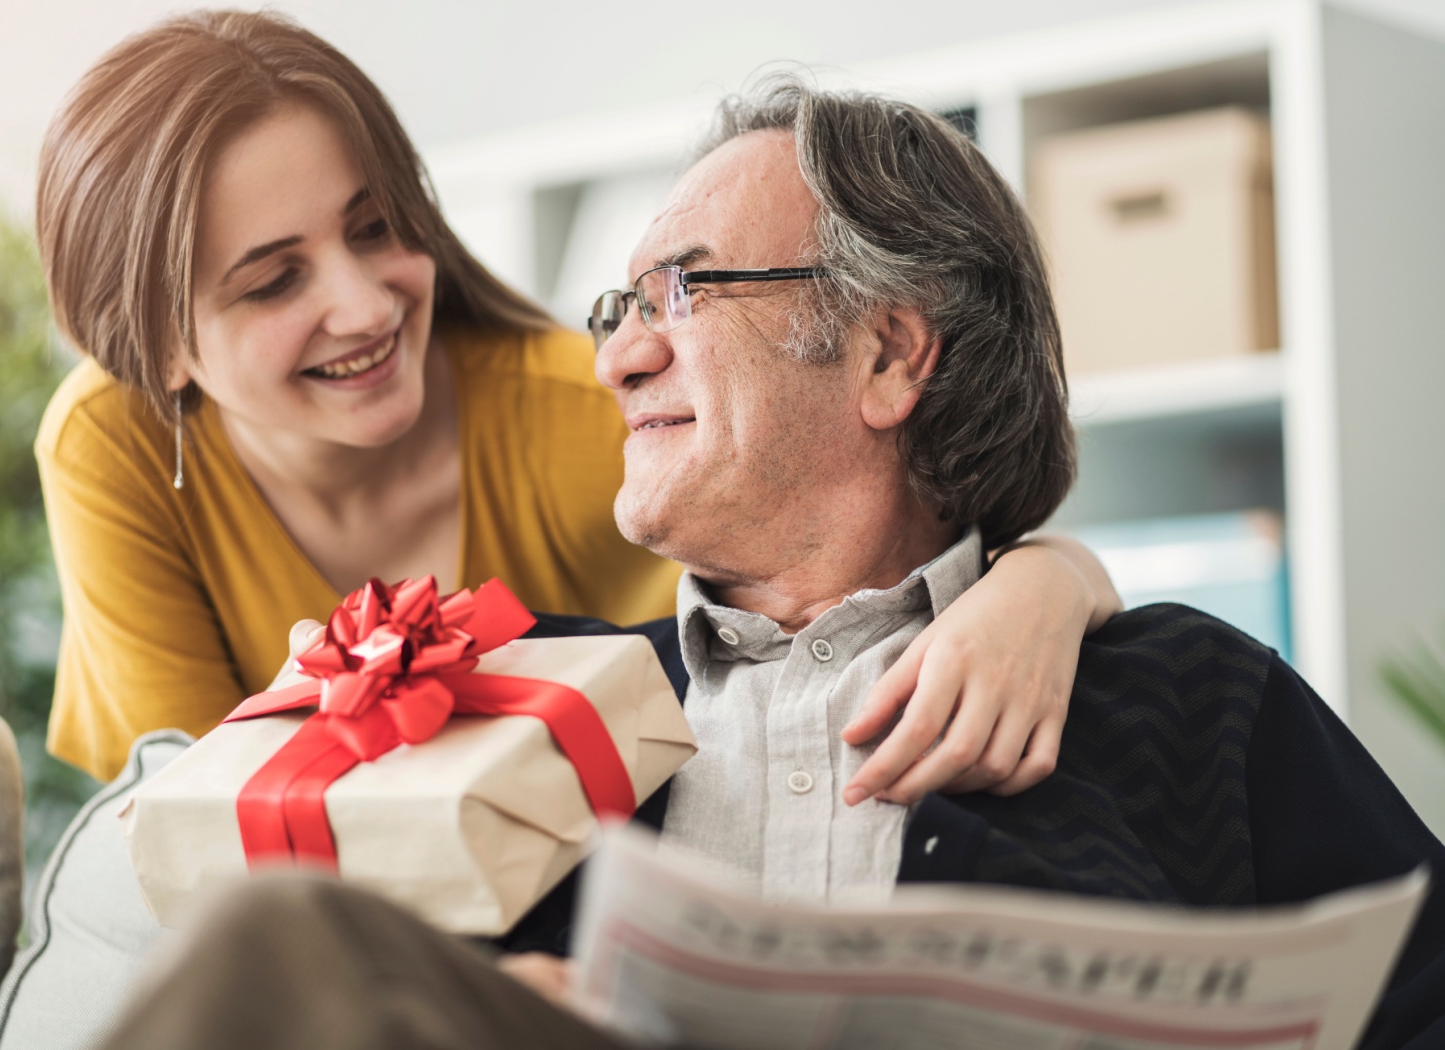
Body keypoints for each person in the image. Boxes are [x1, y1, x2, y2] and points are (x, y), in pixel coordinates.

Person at [90, 76, 1445, 1050]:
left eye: (686, 290)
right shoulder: (520, 694)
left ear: (886, 353)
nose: (616, 354)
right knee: (272, 948)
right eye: (621, 308)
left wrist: (1055, 577)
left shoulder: (1189, 697)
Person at [33, 9, 1123, 796]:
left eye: (374, 228)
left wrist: (1046, 576)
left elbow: (857, 565)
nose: (363, 305)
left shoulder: (589, 409)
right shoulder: (112, 444)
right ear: (161, 346)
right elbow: (181, 819)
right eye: (274, 280)